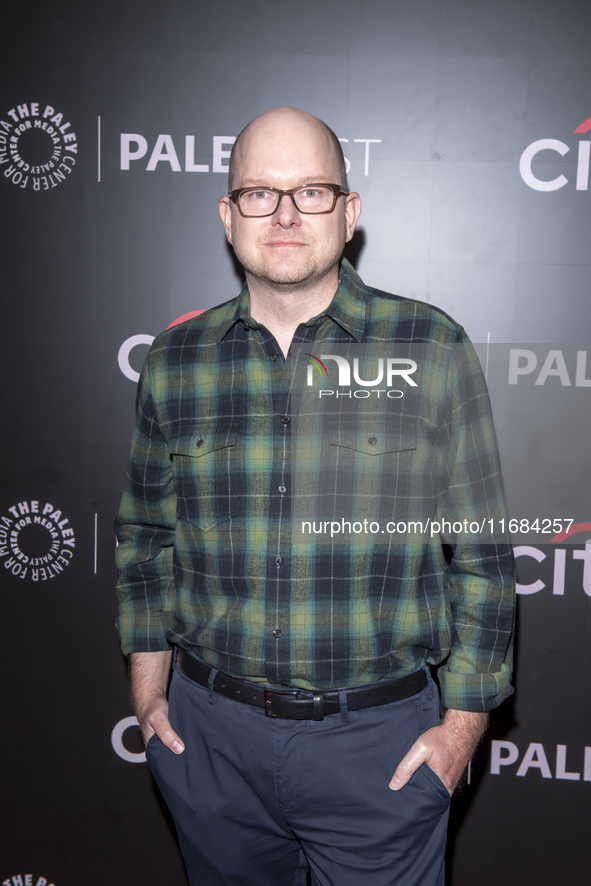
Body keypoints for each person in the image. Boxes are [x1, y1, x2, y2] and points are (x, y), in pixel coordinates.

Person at [115, 107, 515, 886]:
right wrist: (149, 700)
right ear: (228, 217)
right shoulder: (176, 360)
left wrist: (461, 732)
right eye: (261, 193)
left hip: (379, 750)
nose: (287, 214)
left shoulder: (429, 348)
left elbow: (483, 560)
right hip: (209, 745)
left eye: (313, 191)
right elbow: (143, 538)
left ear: (350, 213)